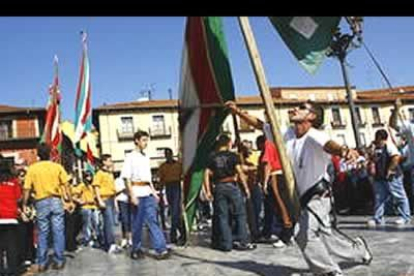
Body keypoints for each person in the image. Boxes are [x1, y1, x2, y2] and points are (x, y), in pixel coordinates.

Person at [227, 100, 372, 276]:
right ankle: (359, 250)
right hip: (302, 196)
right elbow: (260, 125)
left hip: (318, 196)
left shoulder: (314, 135)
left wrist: (344, 151)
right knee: (326, 237)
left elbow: (330, 145)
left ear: (312, 117)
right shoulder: (286, 134)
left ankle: (328, 271)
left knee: (303, 234)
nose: (295, 108)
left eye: (302, 108)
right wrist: (238, 112)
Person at [22, 143, 74, 272]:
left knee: (42, 232)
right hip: (56, 200)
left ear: (38, 154)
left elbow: (27, 188)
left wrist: (24, 203)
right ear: (50, 153)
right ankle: (59, 260)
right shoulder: (57, 167)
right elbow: (66, 185)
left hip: (41, 201)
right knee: (58, 231)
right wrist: (70, 200)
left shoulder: (32, 169)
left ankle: (42, 262)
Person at [121, 130, 170, 260]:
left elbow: (148, 178)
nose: (146, 143)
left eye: (147, 140)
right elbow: (126, 178)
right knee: (137, 223)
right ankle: (136, 249)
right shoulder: (130, 157)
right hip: (137, 191)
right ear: (136, 140)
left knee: (153, 220)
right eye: (143, 140)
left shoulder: (146, 157)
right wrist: (132, 195)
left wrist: (154, 192)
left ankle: (161, 248)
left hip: (147, 192)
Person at [204, 134, 256, 252]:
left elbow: (206, 174)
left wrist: (208, 190)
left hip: (218, 186)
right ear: (228, 143)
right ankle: (243, 242)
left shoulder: (211, 157)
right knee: (240, 215)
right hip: (232, 185)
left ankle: (226, 244)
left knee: (222, 216)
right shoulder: (233, 156)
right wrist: (246, 188)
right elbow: (239, 172)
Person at [367, 129, 411, 227]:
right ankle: (378, 218)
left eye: (378, 139)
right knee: (379, 198)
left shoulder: (389, 146)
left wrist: (390, 169)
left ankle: (405, 217)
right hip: (379, 177)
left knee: (399, 196)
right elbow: (372, 159)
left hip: (392, 177)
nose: (377, 141)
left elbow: (396, 157)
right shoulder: (375, 148)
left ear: (382, 139)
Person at [92, 154, 121, 253]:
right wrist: (99, 200)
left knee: (111, 222)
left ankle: (109, 243)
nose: (111, 162)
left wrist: (116, 203)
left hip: (111, 198)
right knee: (108, 222)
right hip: (104, 199)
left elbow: (113, 190)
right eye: (109, 160)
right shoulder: (99, 174)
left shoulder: (110, 174)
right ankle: (110, 244)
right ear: (104, 162)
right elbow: (96, 187)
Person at [0, 158, 22, 276]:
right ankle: (13, 271)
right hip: (11, 217)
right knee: (11, 247)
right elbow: (19, 198)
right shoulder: (14, 181)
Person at [158, 148, 184, 244]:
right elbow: (161, 180)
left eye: (169, 154)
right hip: (168, 187)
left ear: (172, 154)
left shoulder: (178, 165)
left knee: (176, 211)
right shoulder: (163, 166)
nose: (167, 155)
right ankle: (178, 232)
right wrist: (160, 192)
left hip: (176, 185)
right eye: (166, 154)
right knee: (173, 211)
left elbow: (183, 176)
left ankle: (175, 233)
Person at [74, 171, 101, 247]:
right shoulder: (81, 186)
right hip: (86, 207)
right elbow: (74, 196)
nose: (89, 178)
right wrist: (81, 201)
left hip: (94, 207)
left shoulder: (93, 185)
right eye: (87, 176)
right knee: (87, 224)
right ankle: (88, 239)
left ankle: (97, 238)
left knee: (97, 223)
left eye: (90, 176)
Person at [115, 172, 132, 248]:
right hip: (121, 200)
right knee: (124, 220)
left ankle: (130, 238)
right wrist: (122, 190)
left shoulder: (131, 179)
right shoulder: (118, 180)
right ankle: (124, 238)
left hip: (130, 200)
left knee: (131, 220)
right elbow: (115, 192)